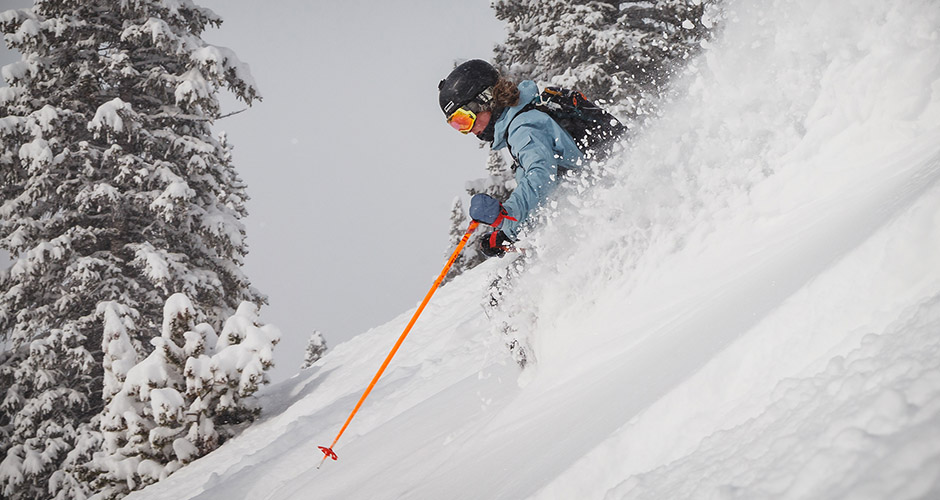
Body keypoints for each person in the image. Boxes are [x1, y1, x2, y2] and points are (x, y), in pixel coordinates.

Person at [438, 59, 589, 258]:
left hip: (596, 202)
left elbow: (541, 173)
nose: (469, 131)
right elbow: (550, 192)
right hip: (585, 204)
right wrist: (505, 236)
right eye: (457, 126)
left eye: (464, 120)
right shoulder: (525, 118)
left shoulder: (522, 126)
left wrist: (506, 216)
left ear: (485, 99)